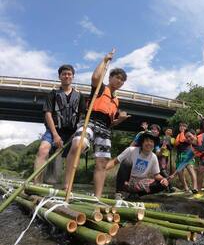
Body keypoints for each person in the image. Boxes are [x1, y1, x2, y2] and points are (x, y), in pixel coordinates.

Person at [64, 51, 130, 197]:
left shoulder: (116, 100)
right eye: (117, 78)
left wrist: (120, 120)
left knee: (102, 162)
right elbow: (95, 77)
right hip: (90, 120)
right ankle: (67, 186)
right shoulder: (100, 87)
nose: (119, 81)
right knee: (77, 145)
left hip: (105, 128)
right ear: (110, 78)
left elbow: (111, 123)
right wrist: (105, 60)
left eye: (122, 80)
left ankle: (98, 197)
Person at [34, 64, 86, 183]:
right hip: (54, 130)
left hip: (72, 133)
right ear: (59, 77)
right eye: (64, 74)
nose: (66, 76)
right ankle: (36, 185)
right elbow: (48, 114)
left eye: (69, 74)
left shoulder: (80, 96)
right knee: (43, 150)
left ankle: (67, 186)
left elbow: (82, 117)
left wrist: (77, 133)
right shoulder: (52, 94)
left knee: (74, 156)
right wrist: (55, 135)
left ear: (73, 77)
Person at [106, 131, 169, 198]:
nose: (149, 143)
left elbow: (156, 175)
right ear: (142, 143)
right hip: (127, 181)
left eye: (151, 142)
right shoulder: (131, 150)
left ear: (154, 144)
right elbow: (115, 162)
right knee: (127, 162)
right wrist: (102, 170)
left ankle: (136, 194)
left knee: (162, 184)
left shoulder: (153, 157)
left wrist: (164, 179)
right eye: (147, 141)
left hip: (140, 183)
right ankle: (119, 193)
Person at [174, 122, 197, 193]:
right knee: (180, 172)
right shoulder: (178, 135)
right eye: (180, 126)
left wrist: (185, 138)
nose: (181, 127)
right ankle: (186, 188)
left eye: (184, 126)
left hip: (188, 154)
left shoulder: (189, 134)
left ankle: (194, 188)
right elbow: (176, 144)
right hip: (179, 156)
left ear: (186, 128)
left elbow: (192, 142)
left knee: (190, 169)